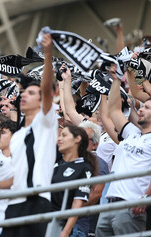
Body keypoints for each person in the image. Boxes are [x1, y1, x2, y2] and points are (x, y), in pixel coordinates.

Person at [0, 32, 57, 237]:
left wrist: (48, 53)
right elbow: (17, 175)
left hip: (36, 199)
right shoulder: (17, 136)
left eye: (32, 93)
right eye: (24, 92)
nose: (25, 95)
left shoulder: (46, 121)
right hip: (14, 202)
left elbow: (46, 88)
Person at [96, 64, 151, 235]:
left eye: (147, 108)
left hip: (132, 206)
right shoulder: (132, 133)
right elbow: (114, 110)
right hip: (109, 203)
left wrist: (146, 197)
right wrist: (115, 80)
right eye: (142, 106)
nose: (140, 109)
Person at [51, 125, 98, 237]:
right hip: (43, 222)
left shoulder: (83, 168)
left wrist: (65, 232)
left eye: (64, 135)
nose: (59, 139)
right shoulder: (55, 162)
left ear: (77, 139)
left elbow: (77, 203)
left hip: (61, 226)